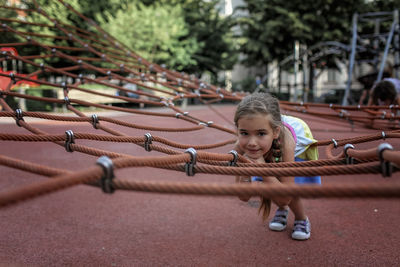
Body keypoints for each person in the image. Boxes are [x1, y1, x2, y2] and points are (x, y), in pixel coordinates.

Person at [234, 92, 320, 241]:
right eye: (244, 133)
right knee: (272, 182)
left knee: (286, 188)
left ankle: (301, 218)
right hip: (269, 144)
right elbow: (243, 196)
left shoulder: (287, 143)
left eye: (260, 133)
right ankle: (282, 211)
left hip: (296, 144)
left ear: (275, 132)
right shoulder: (239, 147)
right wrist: (246, 173)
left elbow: (285, 196)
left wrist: (261, 167)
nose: (252, 142)